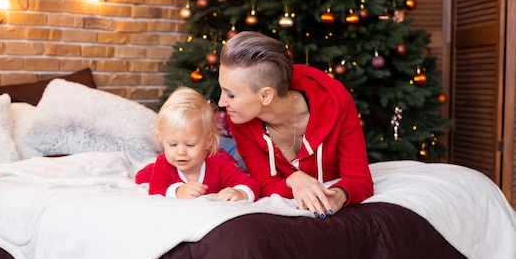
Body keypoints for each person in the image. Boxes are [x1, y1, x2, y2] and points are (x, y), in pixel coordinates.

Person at [217, 31, 373, 217]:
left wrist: (337, 197)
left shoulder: (336, 102)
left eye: (230, 95)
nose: (221, 102)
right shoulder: (241, 116)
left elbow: (359, 180)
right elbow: (265, 185)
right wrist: (294, 180)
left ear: (266, 95)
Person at [135, 86, 259, 202]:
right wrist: (178, 191)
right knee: (142, 177)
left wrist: (241, 193)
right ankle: (150, 169)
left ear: (207, 142)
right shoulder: (165, 162)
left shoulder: (219, 164)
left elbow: (252, 184)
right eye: (173, 144)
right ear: (163, 140)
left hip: (222, 159)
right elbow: (155, 190)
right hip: (161, 169)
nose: (180, 152)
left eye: (190, 145)